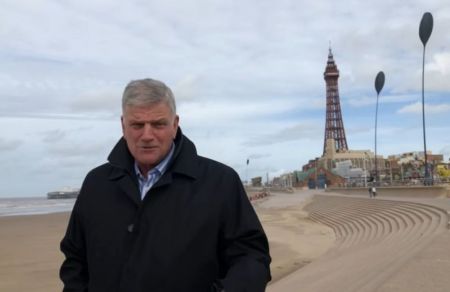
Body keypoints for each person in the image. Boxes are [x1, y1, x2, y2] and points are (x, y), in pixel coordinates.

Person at [60, 78, 271, 292]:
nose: (147, 135)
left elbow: (252, 256)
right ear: (123, 125)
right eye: (137, 125)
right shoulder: (96, 184)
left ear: (175, 124)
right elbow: (75, 260)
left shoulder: (220, 182)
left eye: (158, 124)